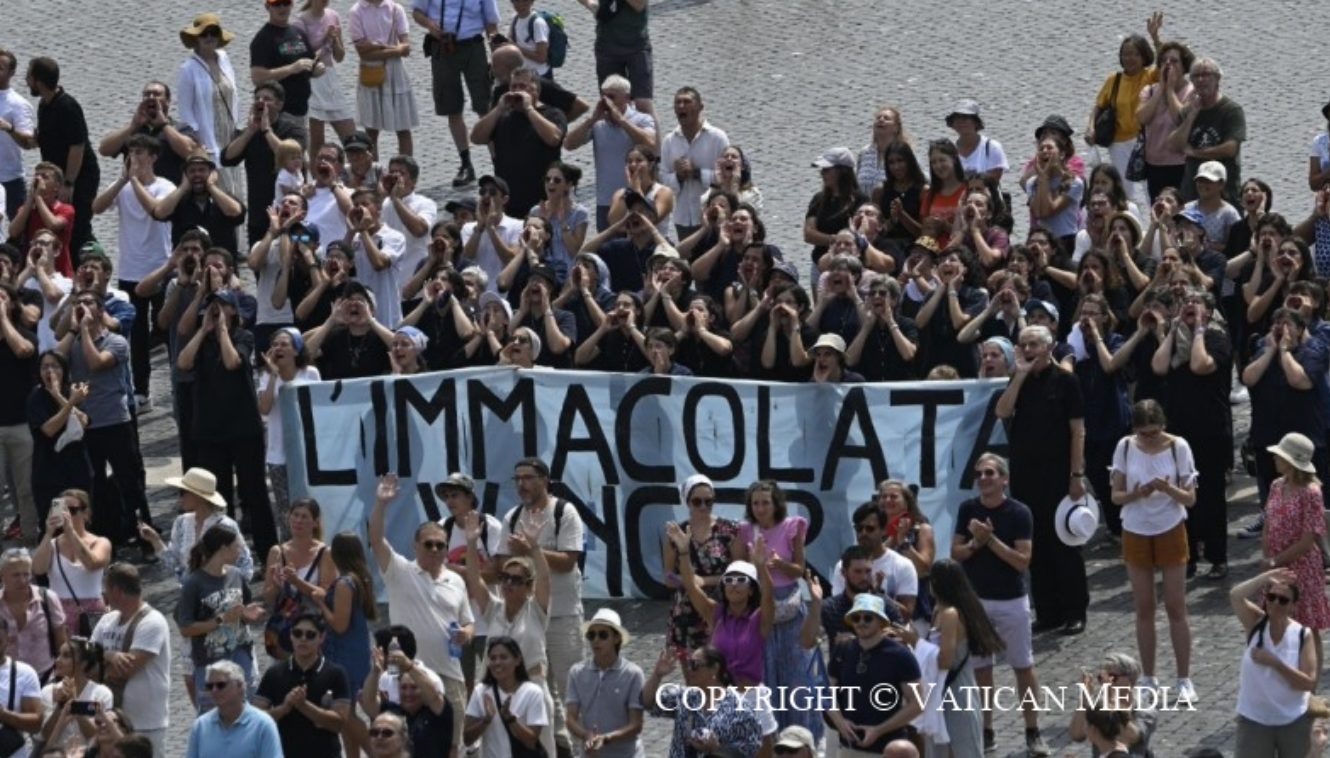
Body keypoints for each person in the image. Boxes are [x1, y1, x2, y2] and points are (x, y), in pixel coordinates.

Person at [951, 452, 1049, 755]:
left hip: (1011, 600)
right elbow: (957, 553)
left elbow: (1022, 561)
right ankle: (986, 730)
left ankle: (1032, 730)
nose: (983, 478)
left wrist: (990, 541)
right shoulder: (968, 508)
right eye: (979, 473)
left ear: (1003, 479)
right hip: (976, 601)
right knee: (981, 670)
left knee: (1023, 665)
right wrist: (974, 543)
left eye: (990, 473)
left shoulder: (1019, 513)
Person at [368, 473, 472, 755]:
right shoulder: (400, 572)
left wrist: (466, 634)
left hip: (449, 676)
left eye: (441, 545)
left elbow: (468, 621)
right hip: (406, 678)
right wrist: (381, 504)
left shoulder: (457, 580)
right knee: (402, 747)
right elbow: (376, 540)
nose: (435, 549)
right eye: (429, 544)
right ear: (415, 546)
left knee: (453, 749)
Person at [996, 325, 1088, 636]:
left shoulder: (1066, 381)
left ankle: (1075, 610)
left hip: (1058, 474)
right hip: (1025, 475)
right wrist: (1019, 376)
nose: (1028, 349)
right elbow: (1002, 411)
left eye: (1034, 344)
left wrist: (1077, 474)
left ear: (1048, 348)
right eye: (1023, 345)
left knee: (1063, 542)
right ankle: (1048, 611)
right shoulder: (1018, 379)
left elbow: (1077, 430)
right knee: (1036, 545)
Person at [178, 289, 278, 560]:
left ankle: (268, 553)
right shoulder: (202, 341)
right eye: (212, 305)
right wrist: (203, 331)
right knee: (218, 497)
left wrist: (222, 330)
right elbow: (183, 362)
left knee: (254, 491)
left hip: (244, 428)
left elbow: (233, 361)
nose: (215, 309)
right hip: (210, 430)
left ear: (234, 311)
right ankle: (225, 554)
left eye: (222, 305)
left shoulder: (243, 337)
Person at [494, 457, 585, 755]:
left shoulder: (563, 512)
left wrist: (532, 550)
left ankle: (587, 748)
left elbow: (569, 560)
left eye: (528, 478)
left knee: (571, 686)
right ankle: (559, 749)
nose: (522, 484)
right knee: (541, 689)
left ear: (545, 480)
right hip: (526, 619)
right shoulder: (512, 516)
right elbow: (503, 564)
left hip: (561, 613)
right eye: (517, 478)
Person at [1109, 400, 1197, 698]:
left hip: (1170, 528)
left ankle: (1184, 679)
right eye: (1144, 434)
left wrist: (1167, 489)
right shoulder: (1124, 446)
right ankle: (1149, 677)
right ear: (1135, 430)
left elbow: (1190, 498)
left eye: (1155, 432)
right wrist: (1139, 493)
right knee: (1144, 607)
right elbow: (1116, 496)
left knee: (1176, 606)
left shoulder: (1178, 446)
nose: (1150, 438)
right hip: (1135, 529)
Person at [1150, 288, 1232, 579]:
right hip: (1179, 429)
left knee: (1211, 495)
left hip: (1211, 427)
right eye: (1186, 303)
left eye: (1197, 303)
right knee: (1183, 494)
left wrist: (1198, 329)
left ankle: (1217, 556)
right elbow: (1158, 366)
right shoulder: (1175, 340)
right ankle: (1189, 556)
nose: (1190, 306)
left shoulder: (1216, 338)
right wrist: (1171, 332)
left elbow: (1199, 365)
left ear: (1209, 312)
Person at [460, 510, 556, 758]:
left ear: (529, 586)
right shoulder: (494, 609)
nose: (508, 584)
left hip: (532, 688)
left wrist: (534, 547)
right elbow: (473, 579)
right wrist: (471, 543)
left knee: (539, 749)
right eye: (505, 579)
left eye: (516, 580)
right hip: (496, 690)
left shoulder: (537, 610)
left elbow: (546, 577)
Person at [90, 134, 175, 410]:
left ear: (152, 157)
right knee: (137, 338)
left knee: (167, 331)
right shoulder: (124, 188)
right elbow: (97, 207)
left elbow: (155, 211)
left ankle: (176, 384)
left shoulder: (165, 186)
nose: (135, 158)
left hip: (160, 268)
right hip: (130, 270)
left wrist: (135, 181)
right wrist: (121, 181)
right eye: (132, 153)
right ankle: (141, 391)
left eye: (140, 153)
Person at [1259, 433, 1330, 676]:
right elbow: (1269, 523)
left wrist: (1275, 561)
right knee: (1277, 624)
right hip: (1276, 567)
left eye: (1280, 455)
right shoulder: (1277, 486)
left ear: (1291, 461)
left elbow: (1309, 539)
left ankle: (1309, 684)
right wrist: (1267, 556)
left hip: (1303, 570)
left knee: (1307, 629)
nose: (1275, 459)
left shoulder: (1311, 493)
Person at [410, 0, 500, 188]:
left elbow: (491, 21)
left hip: (473, 46)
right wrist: (429, 24)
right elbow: (417, 12)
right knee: (452, 107)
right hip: (441, 46)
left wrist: (495, 47)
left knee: (486, 107)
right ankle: (466, 163)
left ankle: (498, 162)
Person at [176, 525, 264, 711]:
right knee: (213, 714)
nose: (241, 551)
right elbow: (185, 627)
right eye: (237, 546)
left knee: (248, 711)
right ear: (224, 548)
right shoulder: (194, 583)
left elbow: (243, 611)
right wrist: (219, 620)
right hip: (210, 662)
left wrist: (248, 614)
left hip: (240, 654)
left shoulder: (236, 575)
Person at [1231, 568, 1318, 756]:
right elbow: (1235, 595)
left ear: (1293, 606)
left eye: (1283, 600)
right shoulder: (1255, 622)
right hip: (1253, 720)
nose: (1275, 603)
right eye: (1271, 597)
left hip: (1293, 720)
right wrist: (1264, 578)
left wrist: (1275, 663)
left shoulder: (1303, 635)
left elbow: (1308, 682)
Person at [825, 594, 923, 756]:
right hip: (848, 748)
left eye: (868, 618)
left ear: (880, 621)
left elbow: (917, 704)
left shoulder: (900, 655)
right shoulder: (843, 650)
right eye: (856, 618)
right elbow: (827, 692)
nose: (861, 622)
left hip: (887, 750)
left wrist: (878, 730)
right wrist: (840, 722)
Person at [89, 563, 170, 755]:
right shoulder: (107, 620)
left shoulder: (152, 622)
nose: (103, 594)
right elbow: (85, 661)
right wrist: (109, 655)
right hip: (112, 721)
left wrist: (97, 667)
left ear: (117, 591)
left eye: (106, 589)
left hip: (147, 724)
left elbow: (124, 671)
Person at [927, 558, 1003, 758]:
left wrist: (915, 644)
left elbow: (946, 660)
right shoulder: (937, 611)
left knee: (961, 748)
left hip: (957, 691)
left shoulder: (951, 614)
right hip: (939, 691)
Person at [563, 75, 656, 231]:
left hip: (637, 199)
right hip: (605, 202)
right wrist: (591, 120)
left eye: (611, 97)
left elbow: (650, 143)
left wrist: (621, 120)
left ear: (626, 98)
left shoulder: (642, 119)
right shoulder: (598, 124)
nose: (606, 102)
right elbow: (569, 144)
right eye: (604, 96)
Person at [470, 68, 567, 217]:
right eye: (513, 87)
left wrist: (529, 109)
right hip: (510, 202)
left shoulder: (553, 114)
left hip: (543, 200)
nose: (516, 91)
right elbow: (476, 138)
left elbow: (554, 138)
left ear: (536, 89)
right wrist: (498, 109)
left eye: (522, 86)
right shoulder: (502, 116)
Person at [26, 57, 99, 257]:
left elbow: (77, 146)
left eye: (29, 77)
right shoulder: (44, 104)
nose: (26, 82)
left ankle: (92, 261)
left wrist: (68, 183)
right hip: (58, 177)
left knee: (78, 227)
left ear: (39, 81)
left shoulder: (68, 106)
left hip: (78, 177)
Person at [222, 82, 309, 247]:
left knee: (294, 260)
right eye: (257, 98)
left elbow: (289, 155)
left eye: (267, 99)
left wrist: (267, 131)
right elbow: (227, 158)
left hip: (291, 215)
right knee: (258, 264)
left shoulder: (293, 129)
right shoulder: (250, 131)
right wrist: (250, 131)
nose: (261, 102)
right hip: (259, 214)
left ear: (280, 104)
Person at [253, 612, 350, 756]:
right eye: (297, 633)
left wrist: (304, 705)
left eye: (310, 635)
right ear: (291, 636)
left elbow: (339, 723)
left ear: (321, 638)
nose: (303, 639)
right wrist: (284, 708)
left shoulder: (336, 674)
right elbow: (255, 720)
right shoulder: (274, 673)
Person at [1085, 25, 1160, 209]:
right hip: (1118, 143)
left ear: (1144, 56)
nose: (1129, 58)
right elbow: (1099, 106)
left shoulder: (1150, 76)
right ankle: (1130, 224)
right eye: (1125, 54)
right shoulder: (1114, 79)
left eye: (1135, 54)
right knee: (1126, 191)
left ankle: (1154, 225)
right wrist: (1090, 127)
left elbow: (1166, 64)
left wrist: (1156, 38)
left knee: (1149, 188)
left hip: (1144, 141)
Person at [662, 475, 739, 653]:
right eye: (697, 502)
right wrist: (686, 580)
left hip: (721, 609)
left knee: (724, 674)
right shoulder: (676, 533)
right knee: (693, 677)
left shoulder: (729, 530)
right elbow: (667, 577)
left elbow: (741, 572)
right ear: (687, 502)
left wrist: (705, 581)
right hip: (686, 613)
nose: (704, 506)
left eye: (708, 501)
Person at [642, 646, 762, 758]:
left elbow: (751, 751)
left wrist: (717, 749)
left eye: (695, 665)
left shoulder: (740, 708)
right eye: (689, 664)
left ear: (715, 668)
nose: (689, 669)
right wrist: (657, 675)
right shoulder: (685, 696)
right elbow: (647, 702)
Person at [361, 627, 453, 758]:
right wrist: (375, 672)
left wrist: (408, 666)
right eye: (403, 688)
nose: (408, 693)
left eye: (414, 688)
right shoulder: (388, 685)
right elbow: (370, 703)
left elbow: (435, 700)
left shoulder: (431, 682)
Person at [564, 608, 645, 758]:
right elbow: (570, 718)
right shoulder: (576, 672)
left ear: (616, 638)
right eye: (591, 635)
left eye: (602, 635)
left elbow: (636, 725)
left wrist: (606, 738)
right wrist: (586, 735)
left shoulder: (633, 674)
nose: (595, 640)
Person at [176, 14, 242, 196]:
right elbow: (185, 110)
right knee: (221, 191)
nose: (209, 38)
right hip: (208, 140)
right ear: (196, 38)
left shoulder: (224, 58)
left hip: (230, 137)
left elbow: (233, 94)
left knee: (236, 190)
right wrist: (198, 142)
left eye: (214, 33)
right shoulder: (188, 69)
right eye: (204, 34)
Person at [261, 498, 335, 656]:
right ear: (288, 518)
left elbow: (325, 594)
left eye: (304, 516)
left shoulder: (324, 553)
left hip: (314, 631)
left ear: (315, 523)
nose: (298, 520)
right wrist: (276, 585)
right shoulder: (277, 552)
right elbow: (267, 598)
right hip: (285, 632)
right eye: (295, 515)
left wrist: (296, 581)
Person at [1167, 57, 1245, 204]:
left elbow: (1230, 148)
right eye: (1196, 76)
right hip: (1192, 193)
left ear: (1217, 79)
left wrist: (1196, 153)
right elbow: (1173, 145)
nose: (1201, 79)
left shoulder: (1231, 110)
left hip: (1225, 194)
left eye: (1206, 74)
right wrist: (1191, 116)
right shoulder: (1188, 110)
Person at [32, 490, 109, 636]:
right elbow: (37, 569)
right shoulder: (52, 545)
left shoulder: (101, 542)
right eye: (62, 510)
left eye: (72, 510)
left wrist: (70, 532)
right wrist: (48, 533)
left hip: (92, 615)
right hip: (59, 616)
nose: (66, 515)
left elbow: (92, 564)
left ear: (86, 514)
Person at [25, 353, 92, 521]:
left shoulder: (74, 391)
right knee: (58, 523)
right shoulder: (36, 397)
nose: (50, 371)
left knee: (81, 519)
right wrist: (70, 403)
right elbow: (48, 430)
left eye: (54, 366)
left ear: (64, 369)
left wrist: (60, 396)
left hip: (77, 469)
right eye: (45, 367)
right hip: (51, 474)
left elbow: (83, 421)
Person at [350, 0, 419, 157]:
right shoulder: (357, 11)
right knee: (371, 130)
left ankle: (406, 172)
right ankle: (373, 173)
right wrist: (394, 49)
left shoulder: (396, 9)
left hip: (396, 74)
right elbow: (362, 52)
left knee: (403, 127)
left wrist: (376, 46)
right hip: (371, 73)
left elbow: (406, 48)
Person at [462, 636, 549, 758]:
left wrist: (511, 719)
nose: (497, 662)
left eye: (503, 657)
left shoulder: (533, 692)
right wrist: (485, 720)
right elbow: (467, 739)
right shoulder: (481, 691)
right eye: (493, 658)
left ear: (517, 660)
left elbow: (531, 741)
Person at [660, 87, 728, 240]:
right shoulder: (669, 141)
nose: (681, 106)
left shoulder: (717, 138)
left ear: (700, 107)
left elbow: (727, 177)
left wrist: (697, 173)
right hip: (683, 219)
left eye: (687, 101)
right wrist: (678, 176)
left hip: (712, 217)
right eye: (678, 102)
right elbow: (663, 181)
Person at [830, 503, 918, 620]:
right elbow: (838, 608)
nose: (863, 533)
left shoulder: (903, 565)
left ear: (884, 530)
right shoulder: (843, 565)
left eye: (870, 529)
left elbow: (906, 615)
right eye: (859, 528)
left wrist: (878, 595)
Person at [185, 659, 282, 758]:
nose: (214, 690)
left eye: (221, 685)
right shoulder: (201, 726)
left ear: (240, 686)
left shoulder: (263, 725)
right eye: (209, 686)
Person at [1136, 40, 1196, 201]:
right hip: (1154, 165)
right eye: (1164, 61)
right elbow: (1142, 117)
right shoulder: (1149, 91)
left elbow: (1180, 119)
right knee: (1158, 208)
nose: (1168, 65)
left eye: (1174, 61)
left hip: (1180, 164)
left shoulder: (1192, 92)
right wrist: (1161, 88)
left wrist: (1170, 90)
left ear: (1184, 66)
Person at [1067, 651, 1157, 758]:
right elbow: (1077, 736)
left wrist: (1111, 699)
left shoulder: (1145, 709)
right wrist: (1085, 699)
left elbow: (1133, 738)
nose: (1107, 683)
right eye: (1102, 678)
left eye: (1113, 677)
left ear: (1130, 679)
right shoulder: (1100, 706)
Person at [0, 284, 37, 542]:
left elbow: (23, 350)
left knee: (26, 489)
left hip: (22, 424)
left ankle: (30, 537)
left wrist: (2, 319)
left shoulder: (26, 335)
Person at [35, 637, 113, 751]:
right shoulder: (47, 691)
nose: (58, 660)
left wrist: (75, 706)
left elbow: (96, 736)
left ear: (83, 663)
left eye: (66, 656)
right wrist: (60, 706)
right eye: (59, 655)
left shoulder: (102, 693)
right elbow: (45, 736)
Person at [250, 0, 323, 122]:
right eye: (277, 4)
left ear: (292, 5)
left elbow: (309, 64)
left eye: (286, 3)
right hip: (277, 114)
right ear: (267, 7)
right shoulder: (262, 39)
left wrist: (317, 69)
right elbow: (257, 78)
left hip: (300, 111)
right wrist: (291, 69)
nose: (282, 8)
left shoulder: (298, 33)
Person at [0, 547, 66, 680]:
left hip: (44, 677)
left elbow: (62, 642)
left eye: (26, 574)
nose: (22, 580)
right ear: (2, 576)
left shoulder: (48, 599)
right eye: (16, 575)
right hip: (5, 680)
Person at [0, 49, 36, 222]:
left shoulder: (18, 104)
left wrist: (9, 129)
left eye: (0, 68)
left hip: (10, 179)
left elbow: (28, 143)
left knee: (19, 235)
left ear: (12, 73)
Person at [0, 615, 43, 758]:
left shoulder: (24, 673)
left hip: (14, 752)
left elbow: (36, 723)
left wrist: (4, 715)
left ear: (7, 638)